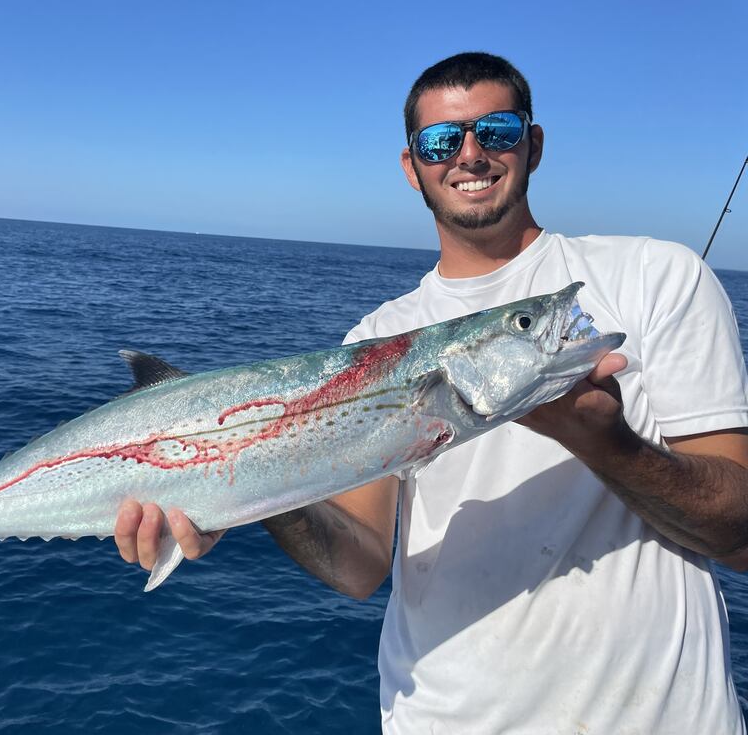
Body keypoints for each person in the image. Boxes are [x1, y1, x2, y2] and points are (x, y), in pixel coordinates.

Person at [114, 52, 748, 733]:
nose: (470, 154)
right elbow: (358, 566)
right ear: (411, 167)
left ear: (533, 144)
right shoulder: (378, 336)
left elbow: (738, 533)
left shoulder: (659, 278)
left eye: (496, 131)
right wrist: (242, 485)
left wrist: (606, 444)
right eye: (442, 141)